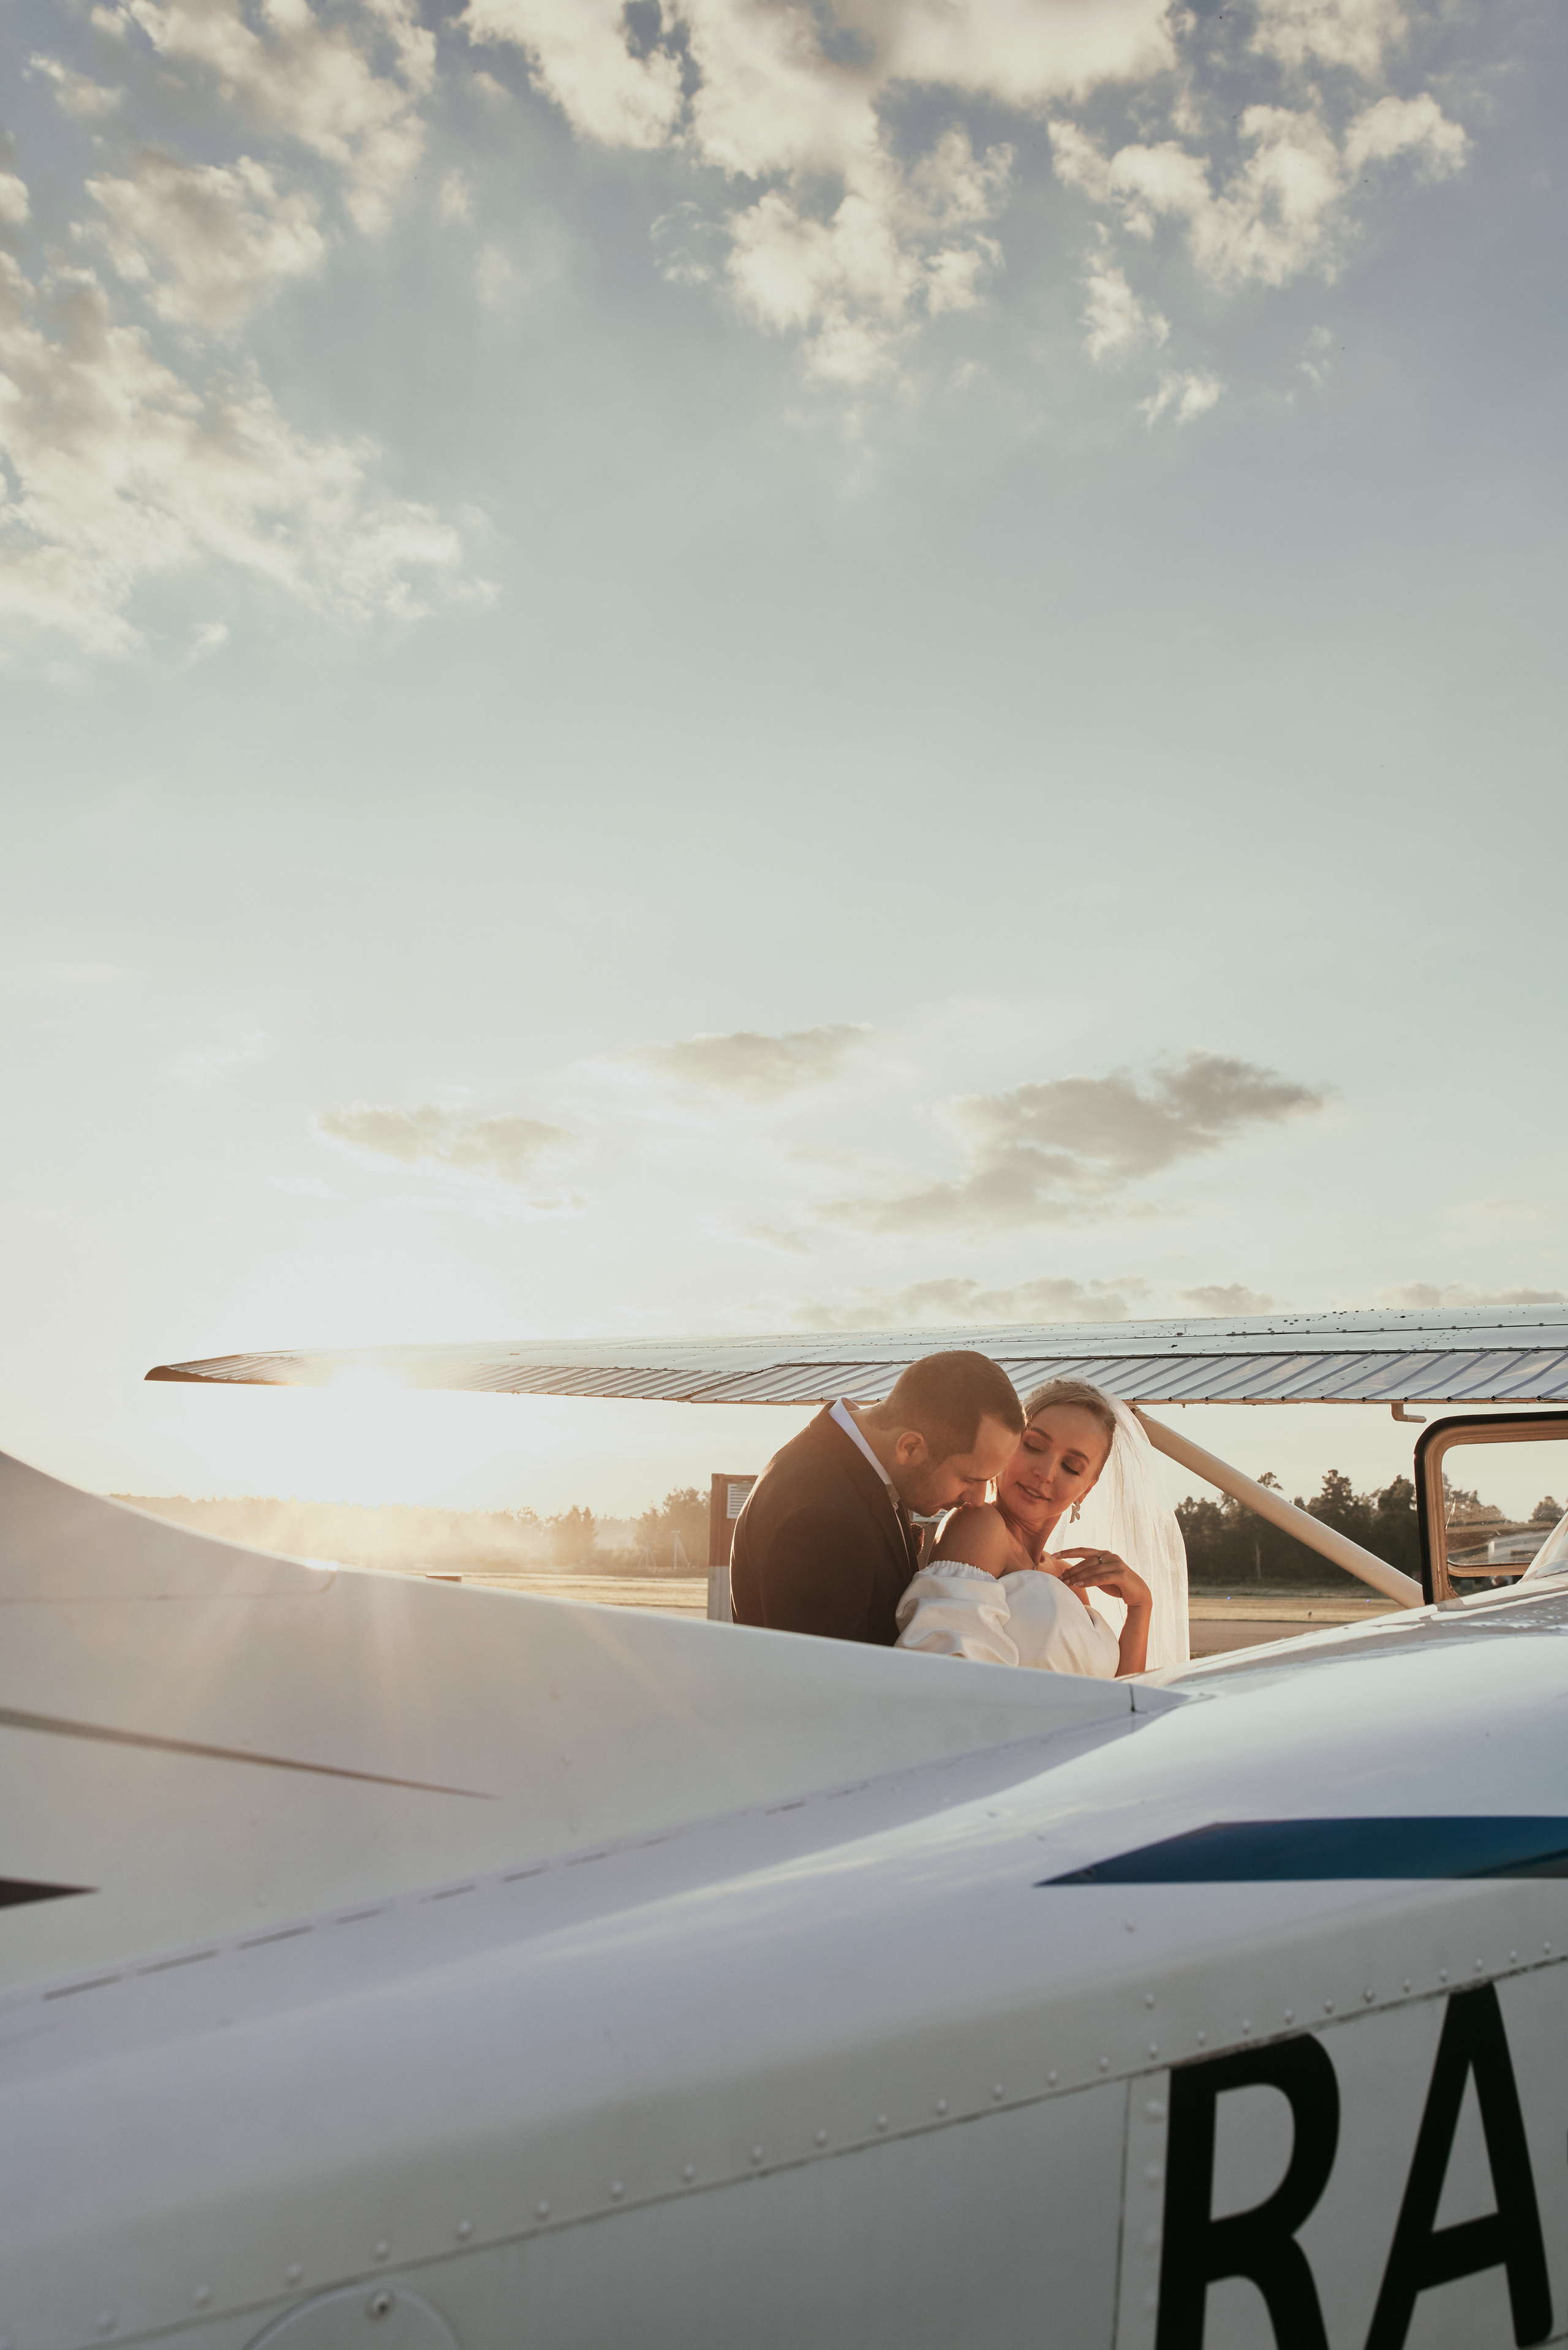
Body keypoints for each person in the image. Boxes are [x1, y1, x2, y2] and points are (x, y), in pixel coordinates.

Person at [894, 1377, 1189, 1675]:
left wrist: (1140, 1604)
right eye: (1033, 1446)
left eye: (1071, 1467)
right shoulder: (979, 1525)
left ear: (1086, 1490)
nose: (1045, 1473)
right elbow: (945, 1668)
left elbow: (1123, 1694)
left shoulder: (1066, 1576)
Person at [729, 1351, 1025, 1644]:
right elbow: (822, 1681)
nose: (977, 1498)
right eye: (970, 1479)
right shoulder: (825, 1519)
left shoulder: (859, 1470)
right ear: (909, 1447)